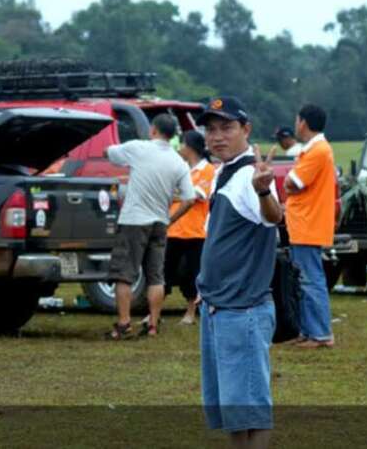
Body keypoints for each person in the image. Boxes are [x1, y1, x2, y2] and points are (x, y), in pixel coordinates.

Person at [195, 96, 282, 448]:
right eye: (211, 129)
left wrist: (264, 192)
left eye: (227, 127)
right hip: (218, 306)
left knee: (251, 406)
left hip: (242, 309)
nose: (217, 136)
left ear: (246, 130)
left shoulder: (250, 175)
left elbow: (273, 216)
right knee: (234, 409)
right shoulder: (223, 172)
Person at [103, 113, 196, 339]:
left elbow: (110, 153)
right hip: (160, 223)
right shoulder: (178, 161)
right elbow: (190, 198)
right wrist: (170, 220)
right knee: (156, 276)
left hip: (134, 220)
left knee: (124, 275)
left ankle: (124, 324)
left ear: (153, 130)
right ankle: (153, 324)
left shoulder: (139, 148)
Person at [284, 104, 336, 349]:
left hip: (308, 223)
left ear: (302, 122)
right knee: (303, 279)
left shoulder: (317, 150)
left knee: (310, 279)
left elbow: (292, 183)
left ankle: (321, 334)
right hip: (304, 224)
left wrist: (289, 185)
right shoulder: (314, 150)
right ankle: (308, 331)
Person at [164, 130, 216, 325]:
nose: (179, 149)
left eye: (182, 144)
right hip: (174, 230)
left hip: (195, 232)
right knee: (164, 273)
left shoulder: (207, 170)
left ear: (190, 147)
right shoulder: (183, 170)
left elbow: (196, 196)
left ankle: (191, 313)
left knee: (192, 274)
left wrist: (172, 195)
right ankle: (154, 312)